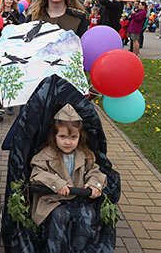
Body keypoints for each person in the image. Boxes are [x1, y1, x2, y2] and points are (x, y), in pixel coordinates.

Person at [30, 104, 107, 253]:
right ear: (54, 136)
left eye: (73, 137)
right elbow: (36, 174)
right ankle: (54, 249)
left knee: (88, 215)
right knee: (60, 215)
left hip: (78, 197)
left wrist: (95, 184)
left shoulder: (85, 155)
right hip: (52, 200)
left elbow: (94, 171)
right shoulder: (45, 155)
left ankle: (79, 249)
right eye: (63, 137)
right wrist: (56, 183)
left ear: (80, 137)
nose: (68, 142)